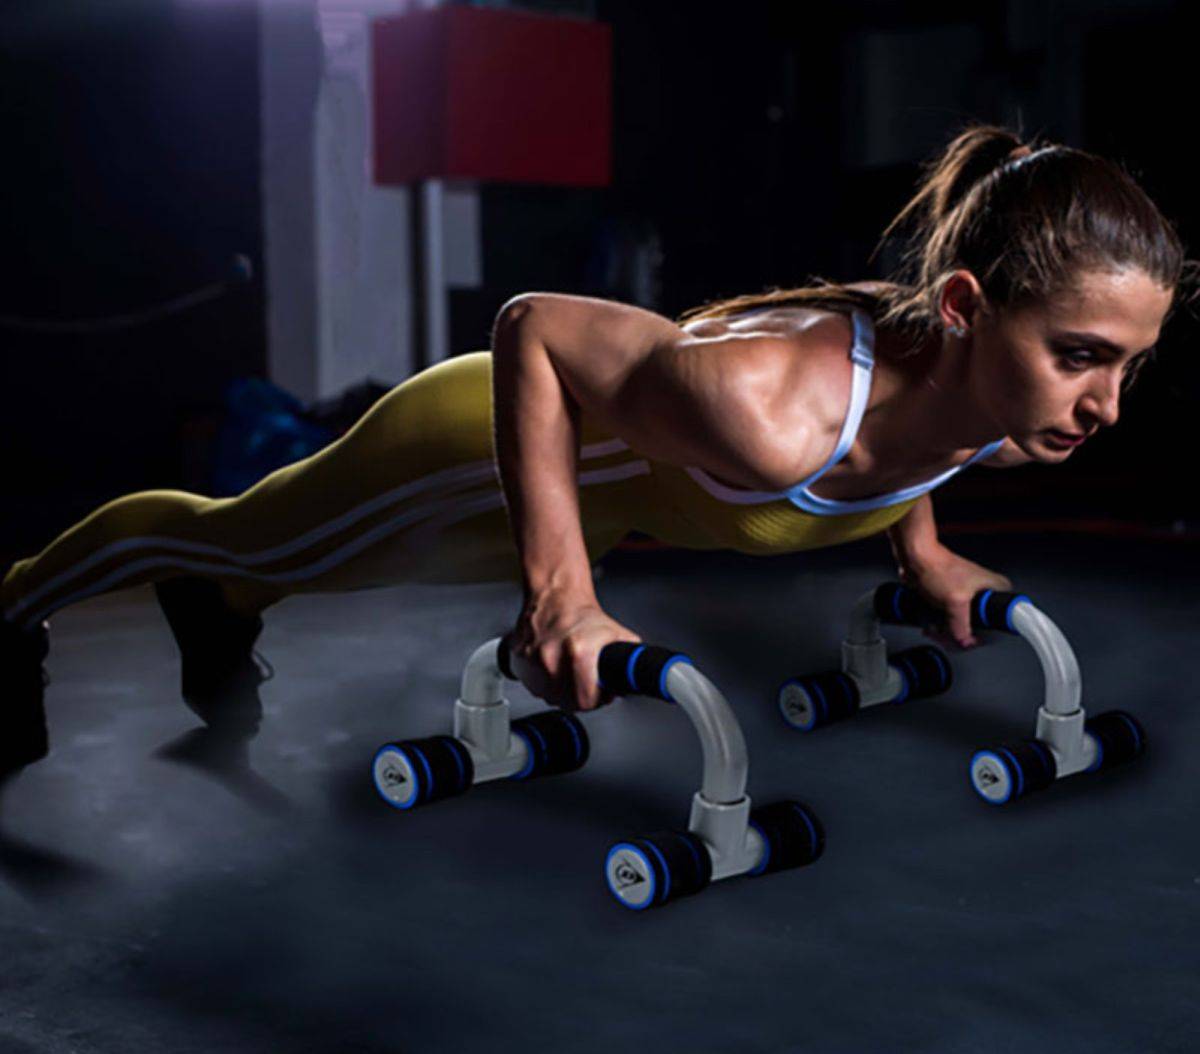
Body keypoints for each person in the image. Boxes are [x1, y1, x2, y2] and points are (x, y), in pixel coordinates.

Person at [0, 123, 1190, 771]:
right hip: (476, 448)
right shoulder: (769, 412)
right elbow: (537, 329)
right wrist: (562, 596)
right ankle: (20, 605)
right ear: (971, 308)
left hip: (588, 498)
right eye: (1081, 355)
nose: (1107, 406)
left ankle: (223, 605)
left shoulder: (1002, 409)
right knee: (242, 537)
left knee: (290, 569)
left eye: (1129, 365)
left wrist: (921, 556)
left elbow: (919, 442)